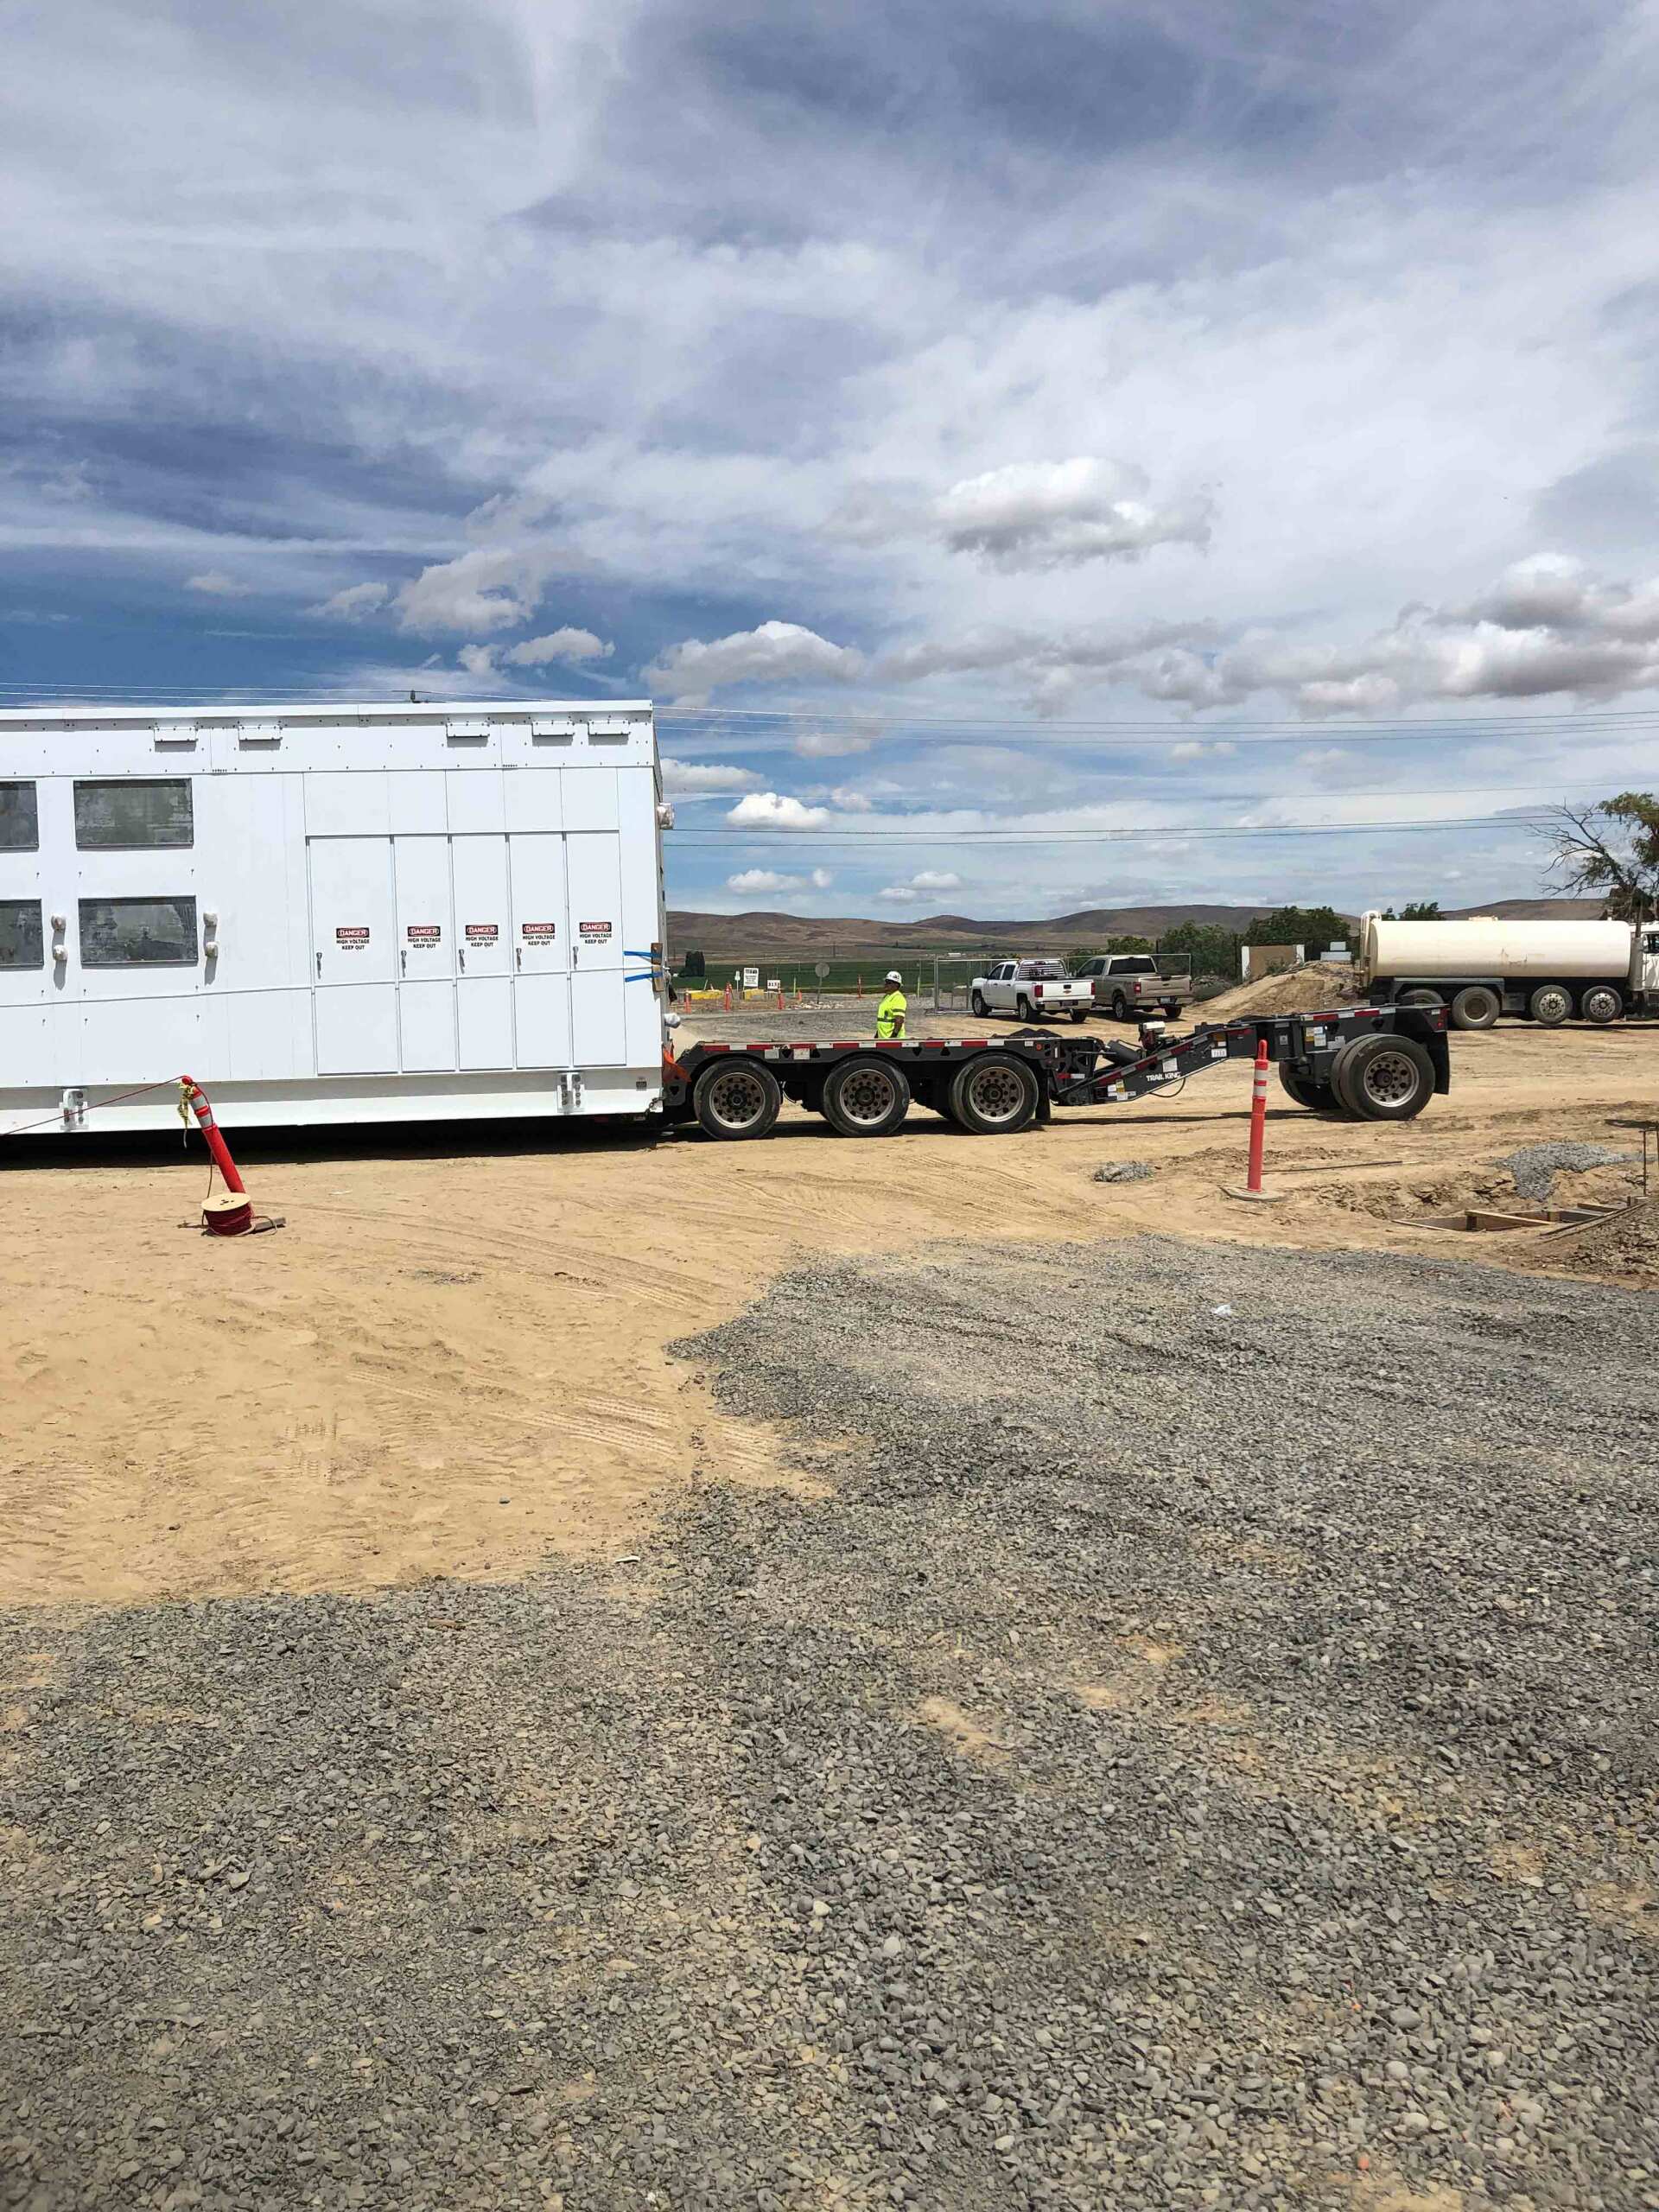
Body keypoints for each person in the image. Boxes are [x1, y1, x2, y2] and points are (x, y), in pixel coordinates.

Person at [875, 969, 907, 1039]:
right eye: (886, 982)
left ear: (896, 985)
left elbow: (899, 1021)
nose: (885, 984)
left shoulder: (898, 998)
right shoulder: (887, 997)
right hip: (883, 1038)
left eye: (889, 982)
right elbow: (883, 1019)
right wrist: (877, 1035)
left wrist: (892, 1039)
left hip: (893, 1039)